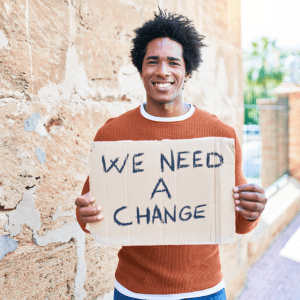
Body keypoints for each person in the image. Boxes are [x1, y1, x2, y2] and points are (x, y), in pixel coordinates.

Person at [75, 9, 267, 300]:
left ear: (187, 71)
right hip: (133, 292)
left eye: (173, 63)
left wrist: (251, 210)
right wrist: (84, 213)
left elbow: (239, 224)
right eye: (152, 62)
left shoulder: (220, 135)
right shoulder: (112, 135)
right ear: (140, 69)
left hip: (205, 291)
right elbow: (91, 219)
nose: (162, 71)